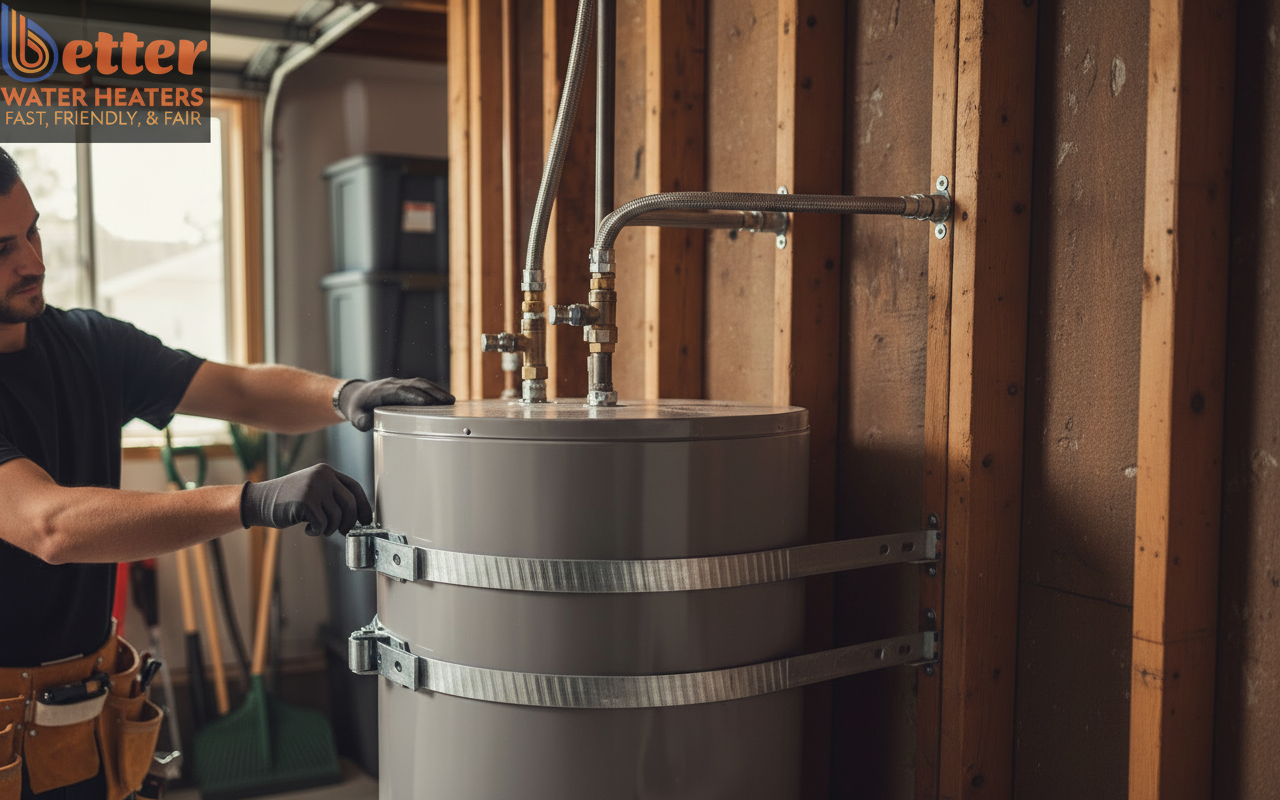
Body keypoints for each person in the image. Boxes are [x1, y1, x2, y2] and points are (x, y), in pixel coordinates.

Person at [0, 146, 453, 800]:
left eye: (34, 230)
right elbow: (51, 525)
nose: (34, 262)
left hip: (89, 718)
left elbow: (237, 391)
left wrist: (346, 394)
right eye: (2, 248)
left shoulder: (88, 345)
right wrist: (250, 502)